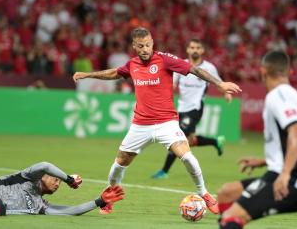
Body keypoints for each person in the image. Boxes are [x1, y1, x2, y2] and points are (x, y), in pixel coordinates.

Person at [73, 27, 241, 215]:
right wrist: (87, 74)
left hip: (166, 123)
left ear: (152, 43)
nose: (144, 49)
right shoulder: (132, 64)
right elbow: (114, 73)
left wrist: (220, 84)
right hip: (140, 125)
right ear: (134, 46)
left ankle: (204, 194)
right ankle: (110, 197)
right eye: (140, 46)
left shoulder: (164, 59)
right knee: (119, 164)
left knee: (187, 157)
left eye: (147, 45)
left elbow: (193, 69)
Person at [216, 50, 297, 229]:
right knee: (227, 193)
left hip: (292, 181)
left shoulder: (278, 95)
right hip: (289, 175)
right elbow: (292, 139)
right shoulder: (295, 96)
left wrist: (285, 174)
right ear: (289, 72)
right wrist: (265, 161)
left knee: (230, 219)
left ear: (262, 71)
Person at [151, 38, 231, 179]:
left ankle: (164, 171)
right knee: (190, 140)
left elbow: (219, 82)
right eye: (192, 47)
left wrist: (226, 93)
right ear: (188, 49)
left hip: (195, 108)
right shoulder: (180, 65)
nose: (195, 50)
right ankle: (215, 141)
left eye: (197, 47)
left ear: (202, 50)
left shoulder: (209, 67)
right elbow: (173, 85)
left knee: (176, 139)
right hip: (181, 108)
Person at [0, 162, 124, 216]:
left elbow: (72, 211)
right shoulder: (27, 178)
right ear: (43, 177)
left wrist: (99, 201)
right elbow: (45, 165)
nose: (57, 182)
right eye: (55, 179)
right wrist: (68, 179)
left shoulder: (41, 207)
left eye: (59, 183)